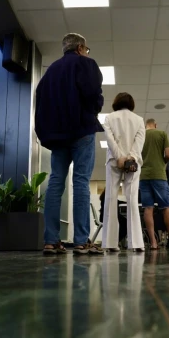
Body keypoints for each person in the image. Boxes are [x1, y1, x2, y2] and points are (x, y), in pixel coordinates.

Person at [35, 33, 104, 255]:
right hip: (82, 129)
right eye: (86, 49)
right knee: (81, 182)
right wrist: (94, 109)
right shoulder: (86, 63)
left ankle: (51, 241)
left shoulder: (50, 71)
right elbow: (93, 93)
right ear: (81, 47)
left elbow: (41, 100)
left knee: (56, 182)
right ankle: (82, 241)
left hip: (58, 135)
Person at [101, 93, 145, 252]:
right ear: (131, 103)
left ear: (116, 102)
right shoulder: (139, 120)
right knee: (132, 200)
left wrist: (119, 157)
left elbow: (109, 139)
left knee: (111, 199)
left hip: (113, 161)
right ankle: (137, 244)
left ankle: (110, 243)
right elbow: (139, 143)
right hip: (133, 164)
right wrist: (130, 158)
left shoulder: (109, 118)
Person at [140, 119, 169, 250]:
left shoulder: (140, 135)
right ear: (155, 125)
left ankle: (153, 243)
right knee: (166, 207)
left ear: (145, 126)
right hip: (159, 175)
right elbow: (168, 154)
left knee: (148, 208)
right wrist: (162, 162)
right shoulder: (162, 133)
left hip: (144, 176)